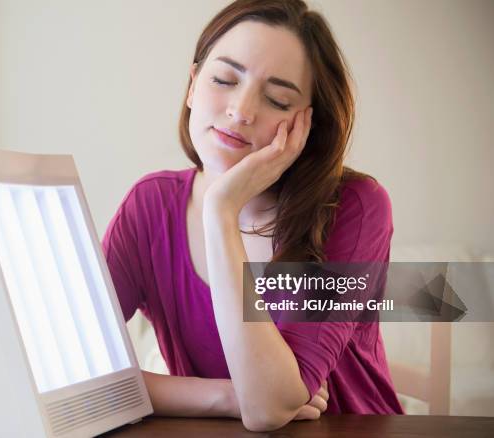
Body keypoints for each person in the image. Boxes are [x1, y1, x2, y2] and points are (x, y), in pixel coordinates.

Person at [102, 0, 403, 431]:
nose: (241, 111)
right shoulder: (149, 205)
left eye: (278, 100)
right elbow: (73, 373)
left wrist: (222, 210)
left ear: (308, 126)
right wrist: (225, 395)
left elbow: (268, 408)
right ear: (192, 86)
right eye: (224, 79)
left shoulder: (355, 207)